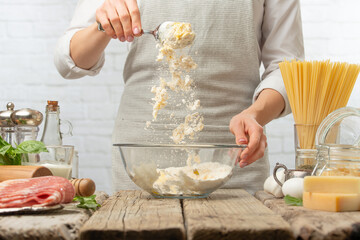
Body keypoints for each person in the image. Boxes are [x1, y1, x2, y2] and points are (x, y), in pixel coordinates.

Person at [54, 0, 304, 194]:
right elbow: (68, 60)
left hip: (234, 159)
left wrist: (255, 114)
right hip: (142, 166)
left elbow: (287, 68)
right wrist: (102, 25)